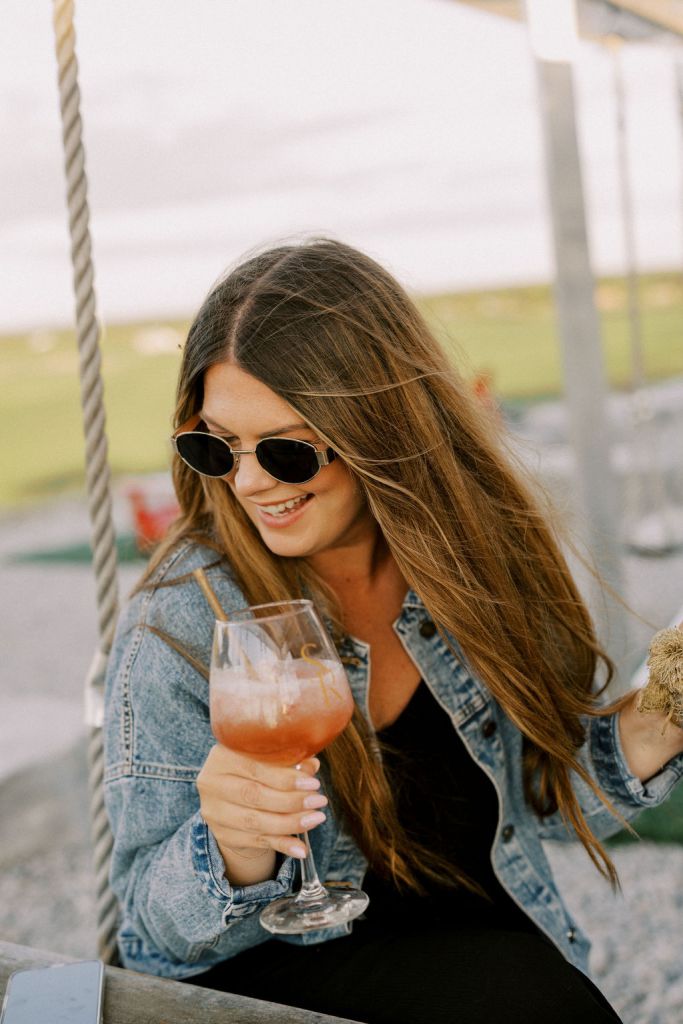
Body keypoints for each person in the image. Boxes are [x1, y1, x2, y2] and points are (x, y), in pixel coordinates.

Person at [103, 237, 683, 1024]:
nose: (247, 481)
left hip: (483, 956)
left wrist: (669, 701)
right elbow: (148, 940)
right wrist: (233, 847)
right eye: (216, 445)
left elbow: (543, 794)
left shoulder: (479, 553)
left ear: (377, 427)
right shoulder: (180, 618)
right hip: (281, 979)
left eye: (284, 450)